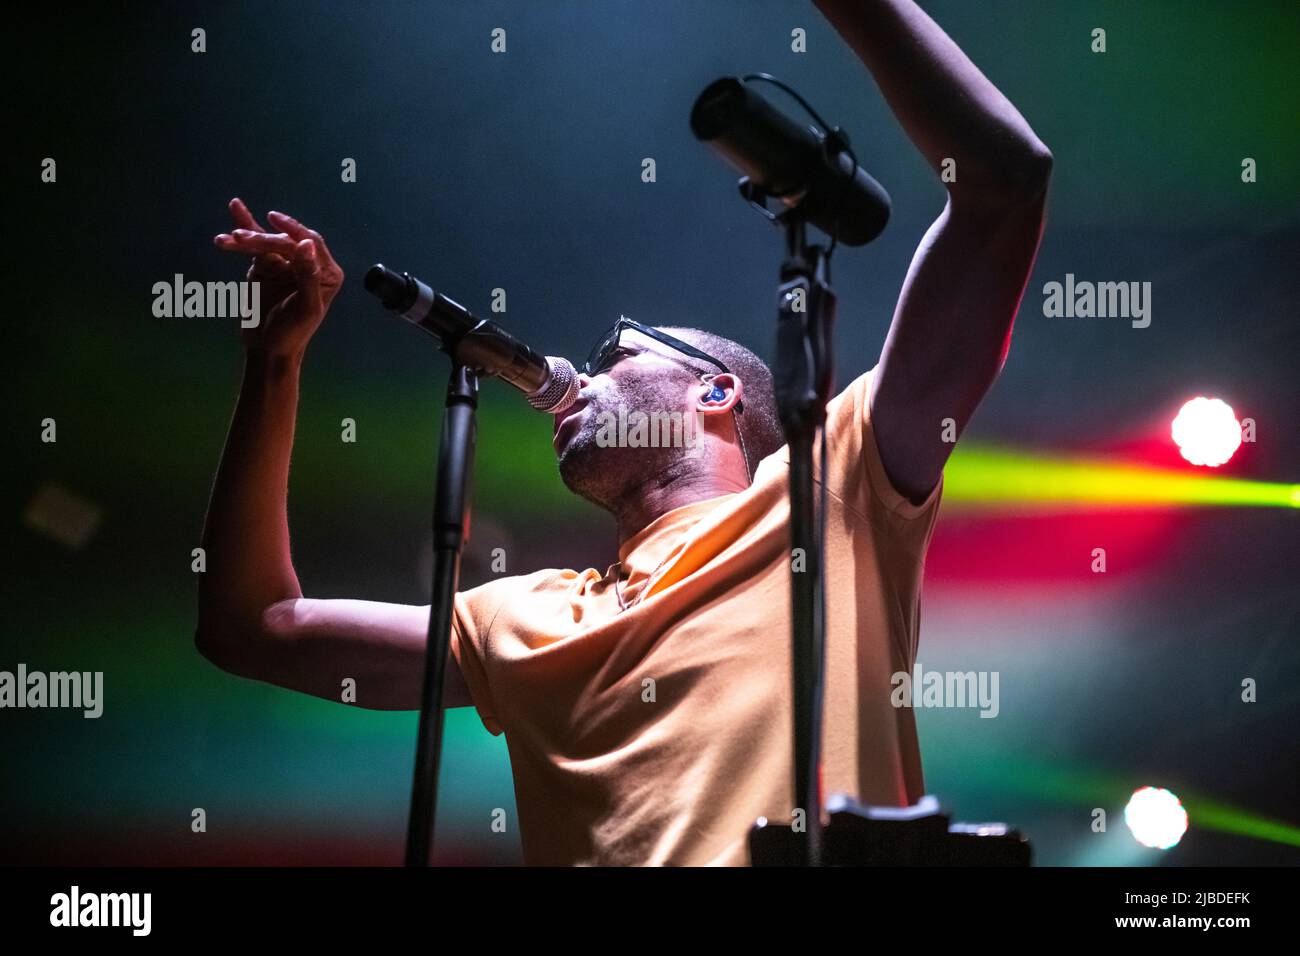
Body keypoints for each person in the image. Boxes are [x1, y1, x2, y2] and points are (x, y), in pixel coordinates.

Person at [196, 0, 1051, 865]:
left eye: (616, 351)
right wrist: (276, 363)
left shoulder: (831, 490)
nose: (582, 373)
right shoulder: (521, 618)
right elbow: (253, 626)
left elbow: (1004, 180)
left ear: (714, 392)